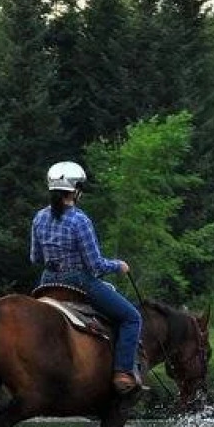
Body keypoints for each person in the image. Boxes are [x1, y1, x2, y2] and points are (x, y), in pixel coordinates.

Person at [30, 160, 143, 394]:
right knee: (132, 317)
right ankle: (122, 372)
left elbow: (35, 258)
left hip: (47, 283)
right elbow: (95, 265)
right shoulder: (80, 220)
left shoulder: (39, 217)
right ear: (76, 190)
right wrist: (118, 265)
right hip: (78, 282)